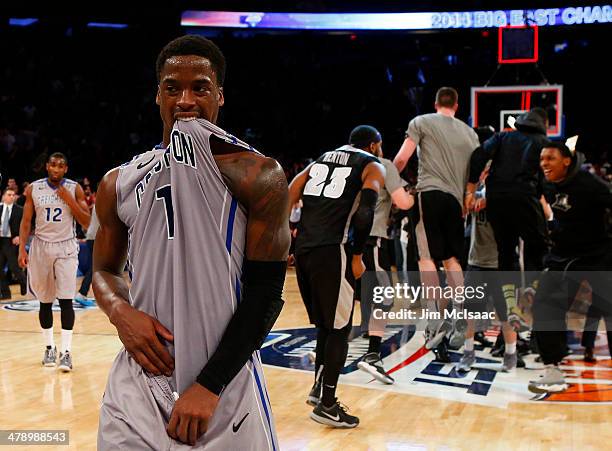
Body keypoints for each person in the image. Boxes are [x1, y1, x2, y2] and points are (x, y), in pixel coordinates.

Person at [93, 35, 290, 449]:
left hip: (222, 387)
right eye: (172, 88)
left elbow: (268, 294)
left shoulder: (258, 174)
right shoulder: (118, 181)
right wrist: (119, 312)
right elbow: (104, 271)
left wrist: (209, 385)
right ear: (157, 96)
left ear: (219, 95)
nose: (185, 100)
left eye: (199, 87)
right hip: (139, 383)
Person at [289, 125, 385, 428]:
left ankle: (319, 392)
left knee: (327, 326)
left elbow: (289, 192)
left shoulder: (320, 160)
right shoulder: (372, 165)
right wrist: (357, 256)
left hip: (305, 250)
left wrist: (287, 244)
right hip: (335, 250)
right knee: (341, 328)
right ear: (374, 145)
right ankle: (328, 405)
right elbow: (365, 213)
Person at [393, 87, 480, 361]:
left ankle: (434, 315)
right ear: (456, 105)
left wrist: (390, 183)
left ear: (436, 103)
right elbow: (476, 173)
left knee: (426, 258)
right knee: (452, 260)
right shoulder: (471, 134)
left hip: (429, 192)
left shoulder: (421, 121)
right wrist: (467, 197)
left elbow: (402, 158)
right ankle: (460, 308)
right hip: (456, 201)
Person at [529, 141, 612, 393]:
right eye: (542, 158)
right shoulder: (546, 182)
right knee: (544, 305)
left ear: (566, 160)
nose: (544, 163)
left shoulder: (591, 185)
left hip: (598, 255)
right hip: (564, 257)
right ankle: (553, 371)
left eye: (550, 158)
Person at [18, 153, 91, 372]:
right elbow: (26, 221)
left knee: (66, 299)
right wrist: (22, 248)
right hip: (41, 246)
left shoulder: (75, 188)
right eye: (52, 165)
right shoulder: (34, 188)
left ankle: (66, 352)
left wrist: (69, 200)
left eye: (60, 166)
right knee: (45, 301)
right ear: (47, 167)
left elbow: (87, 221)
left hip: (66, 247)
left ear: (66, 169)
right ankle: (49, 347)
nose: (56, 169)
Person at [356, 137, 414, 384]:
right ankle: (372, 354)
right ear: (373, 145)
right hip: (371, 239)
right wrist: (416, 195)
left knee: (351, 294)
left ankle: (327, 356)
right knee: (385, 297)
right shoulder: (382, 164)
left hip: (344, 240)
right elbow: (402, 202)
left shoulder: (349, 164)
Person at [0, 188, 27, 299]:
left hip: (12, 242)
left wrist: (20, 237)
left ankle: (24, 283)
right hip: (1, 241)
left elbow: (26, 226)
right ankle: (6, 293)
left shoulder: (20, 210)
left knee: (14, 267)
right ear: (4, 196)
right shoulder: (0, 208)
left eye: (13, 195)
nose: (11, 197)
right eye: (9, 194)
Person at [74, 205, 98, 306]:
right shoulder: (107, 200)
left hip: (92, 236)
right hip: (97, 237)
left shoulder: (100, 201)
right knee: (96, 267)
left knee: (97, 268)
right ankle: (82, 293)